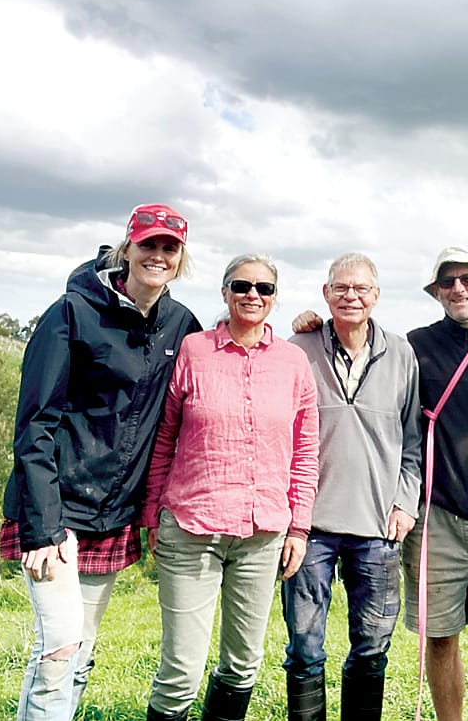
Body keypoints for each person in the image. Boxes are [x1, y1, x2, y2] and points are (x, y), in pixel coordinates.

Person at [295, 247, 468, 721]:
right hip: (437, 516)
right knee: (440, 637)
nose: (459, 288)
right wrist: (313, 323)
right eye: (448, 281)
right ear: (435, 291)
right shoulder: (415, 346)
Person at [0, 203, 201, 721]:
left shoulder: (181, 324)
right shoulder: (71, 311)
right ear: (126, 248)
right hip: (57, 509)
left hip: (114, 512)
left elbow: (224, 354)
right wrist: (44, 526)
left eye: (169, 247)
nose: (158, 255)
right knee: (59, 649)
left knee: (82, 648)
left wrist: (305, 326)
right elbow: (35, 424)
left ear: (180, 258)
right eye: (148, 245)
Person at [142, 254, 319, 721]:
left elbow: (305, 451)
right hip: (192, 527)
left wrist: (298, 528)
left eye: (264, 288)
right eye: (241, 286)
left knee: (242, 667)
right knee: (180, 670)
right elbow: (163, 438)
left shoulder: (294, 364)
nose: (252, 295)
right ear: (224, 293)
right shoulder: (193, 351)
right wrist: (151, 515)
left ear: (275, 298)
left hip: (263, 536)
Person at [282, 253, 422, 720]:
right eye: (341, 288)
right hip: (308, 528)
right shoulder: (299, 348)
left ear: (376, 296)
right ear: (325, 294)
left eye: (361, 289)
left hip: (379, 527)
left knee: (371, 649)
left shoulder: (401, 354)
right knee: (304, 648)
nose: (351, 296)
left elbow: (413, 444)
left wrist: (405, 503)